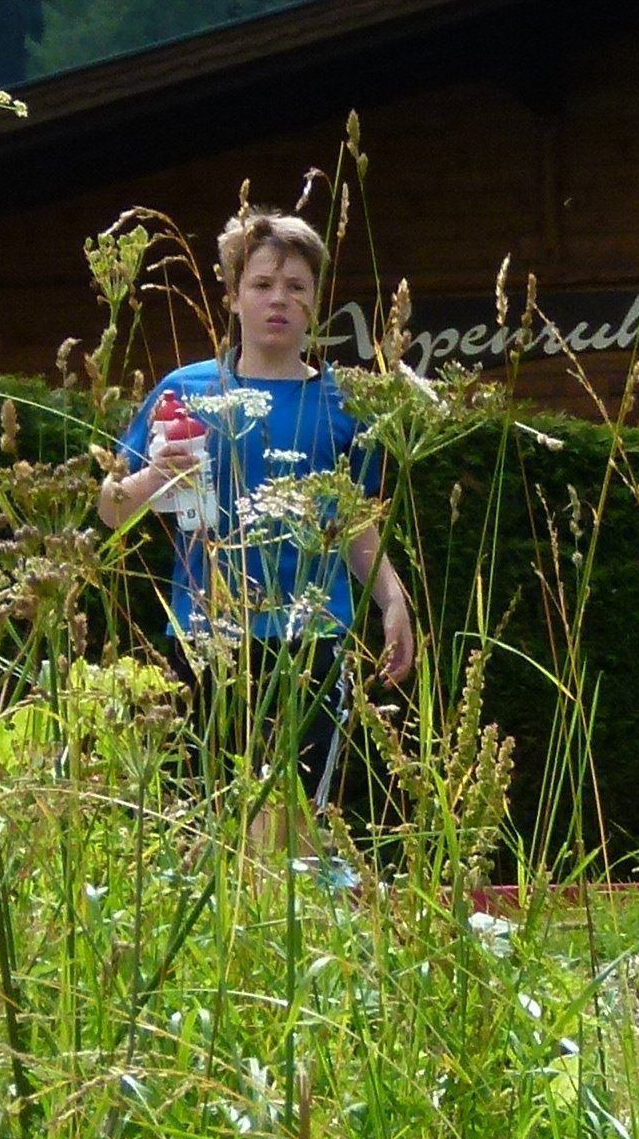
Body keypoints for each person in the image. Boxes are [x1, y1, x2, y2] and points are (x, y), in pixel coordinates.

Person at [97, 208, 418, 836]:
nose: (279, 301)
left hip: (314, 637)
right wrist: (156, 474)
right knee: (210, 823)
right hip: (206, 634)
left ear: (315, 303)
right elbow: (111, 509)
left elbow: (353, 519)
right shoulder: (185, 390)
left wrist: (392, 599)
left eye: (296, 287)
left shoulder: (346, 403)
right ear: (232, 296)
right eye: (263, 284)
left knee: (301, 820)